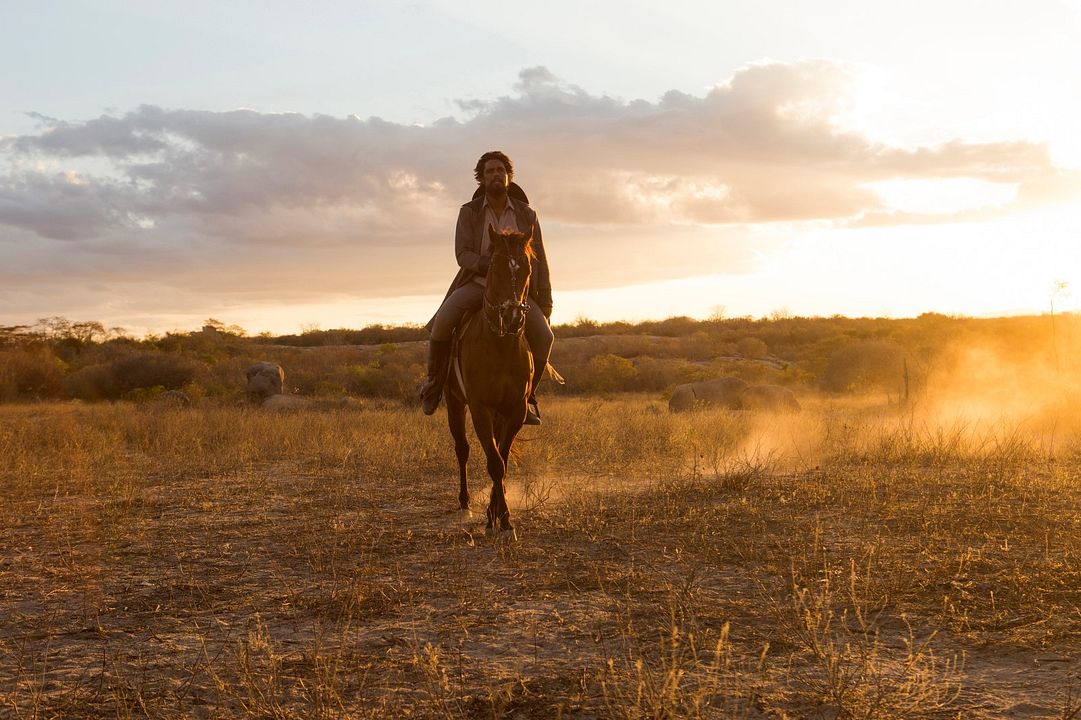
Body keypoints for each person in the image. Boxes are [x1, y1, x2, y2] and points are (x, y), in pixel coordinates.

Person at [420, 150, 554, 424]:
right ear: (481, 179)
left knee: (545, 336)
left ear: (508, 177)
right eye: (490, 171)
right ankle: (434, 385)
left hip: (517, 293)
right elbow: (462, 254)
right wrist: (488, 264)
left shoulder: (527, 214)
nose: (496, 175)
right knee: (443, 322)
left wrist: (545, 297)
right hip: (478, 284)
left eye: (500, 171)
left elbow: (539, 258)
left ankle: (527, 397)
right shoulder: (469, 213)